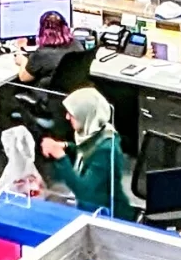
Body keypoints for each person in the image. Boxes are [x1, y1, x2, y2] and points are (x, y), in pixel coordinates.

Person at [45, 86, 129, 218]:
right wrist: (66, 146)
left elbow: (85, 192)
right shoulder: (98, 131)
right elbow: (87, 152)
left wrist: (61, 158)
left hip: (104, 213)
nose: (67, 117)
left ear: (85, 115)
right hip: (91, 207)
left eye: (72, 114)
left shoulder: (106, 150)